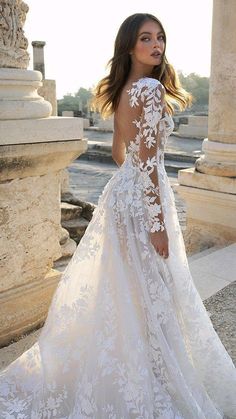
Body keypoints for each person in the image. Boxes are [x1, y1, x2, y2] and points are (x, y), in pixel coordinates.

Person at [0, 12, 236, 419]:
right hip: (143, 195)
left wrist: (135, 179)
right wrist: (159, 224)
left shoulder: (122, 89)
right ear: (130, 46)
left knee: (128, 286)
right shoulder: (150, 89)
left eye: (160, 37)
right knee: (151, 287)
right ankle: (150, 370)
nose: (156, 44)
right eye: (146, 38)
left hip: (121, 195)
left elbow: (118, 153)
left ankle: (134, 361)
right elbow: (146, 164)